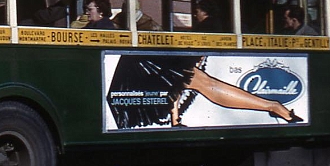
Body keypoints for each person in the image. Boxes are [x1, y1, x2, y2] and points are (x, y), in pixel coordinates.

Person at [106, 55, 302, 129]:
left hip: (136, 61)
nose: (88, 12)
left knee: (197, 82)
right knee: (183, 81)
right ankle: (272, 106)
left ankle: (272, 106)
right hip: (134, 61)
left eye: (90, 9)